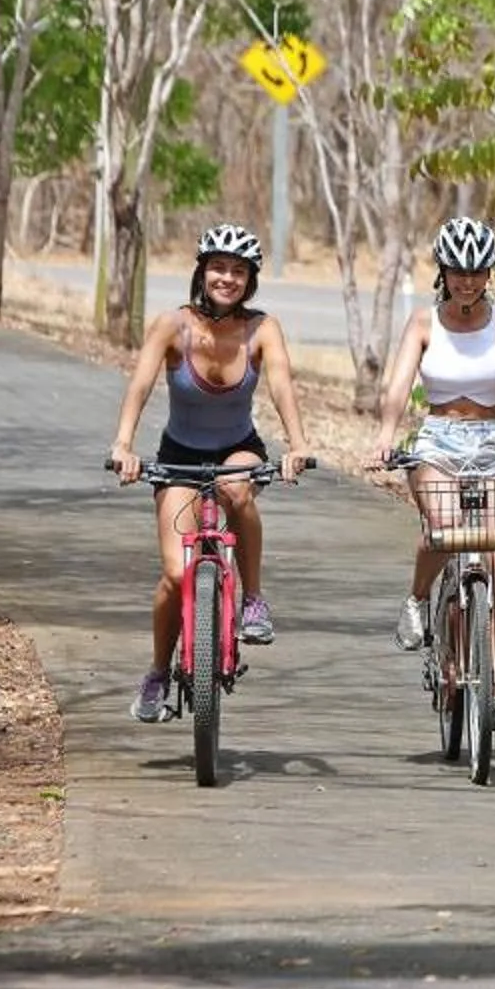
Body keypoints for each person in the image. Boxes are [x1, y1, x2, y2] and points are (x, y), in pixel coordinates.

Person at [108, 223, 314, 722]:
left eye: (238, 271)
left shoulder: (262, 329)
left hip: (237, 449)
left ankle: (254, 601)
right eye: (219, 268)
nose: (227, 278)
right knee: (176, 574)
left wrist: (299, 444)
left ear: (250, 280)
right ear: (202, 271)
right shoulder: (172, 326)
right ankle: (158, 673)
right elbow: (139, 385)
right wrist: (123, 445)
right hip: (180, 452)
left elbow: (283, 387)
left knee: (236, 489)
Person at [367, 216, 495, 731]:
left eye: (478, 273)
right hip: (436, 440)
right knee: (446, 527)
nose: (469, 282)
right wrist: (387, 435)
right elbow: (396, 386)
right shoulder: (423, 323)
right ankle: (416, 601)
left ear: (490, 273)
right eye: (458, 272)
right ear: (444, 272)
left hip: (491, 440)